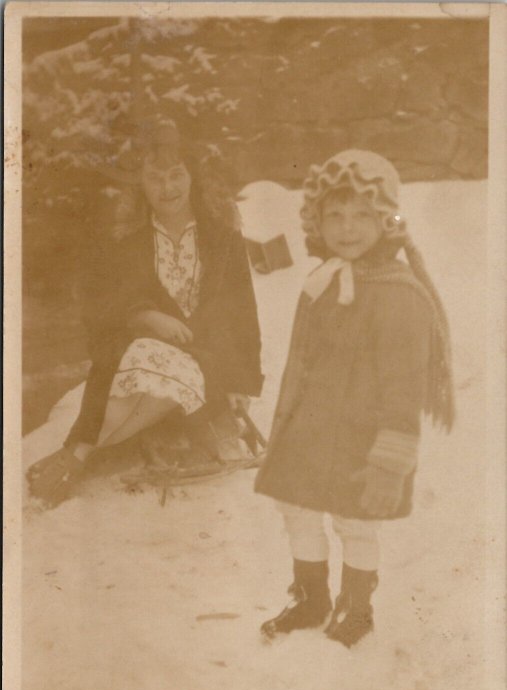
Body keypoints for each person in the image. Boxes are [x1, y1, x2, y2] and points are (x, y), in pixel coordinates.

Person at [255, 149, 454, 647]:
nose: (346, 228)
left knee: (354, 520)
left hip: (362, 438)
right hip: (313, 430)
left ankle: (357, 607)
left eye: (362, 215)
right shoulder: (325, 279)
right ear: (316, 220)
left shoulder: (398, 294)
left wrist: (390, 463)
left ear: (387, 220)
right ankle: (311, 596)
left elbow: (403, 386)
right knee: (298, 510)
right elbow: (302, 363)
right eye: (334, 215)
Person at [28, 121, 264, 507]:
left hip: (205, 358)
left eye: (176, 175)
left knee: (175, 375)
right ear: (141, 182)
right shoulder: (126, 238)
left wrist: (243, 380)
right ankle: (80, 452)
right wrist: (144, 317)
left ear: (192, 175)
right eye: (155, 178)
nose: (168, 189)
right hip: (140, 352)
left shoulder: (221, 236)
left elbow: (243, 309)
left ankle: (78, 454)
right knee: (139, 365)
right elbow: (101, 306)